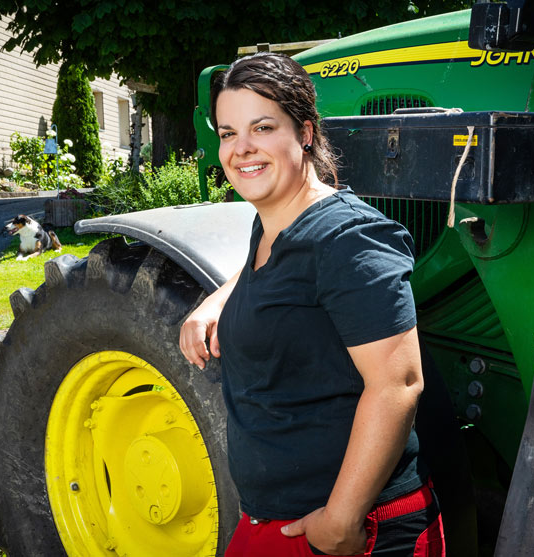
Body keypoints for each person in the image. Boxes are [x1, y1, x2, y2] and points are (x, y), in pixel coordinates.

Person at [178, 52, 445, 556]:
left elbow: (399, 383)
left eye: (262, 127)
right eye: (228, 132)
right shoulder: (273, 221)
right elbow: (287, 268)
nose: (241, 149)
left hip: (350, 531)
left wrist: (341, 521)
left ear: (304, 132)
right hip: (276, 521)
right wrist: (219, 298)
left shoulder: (351, 237)